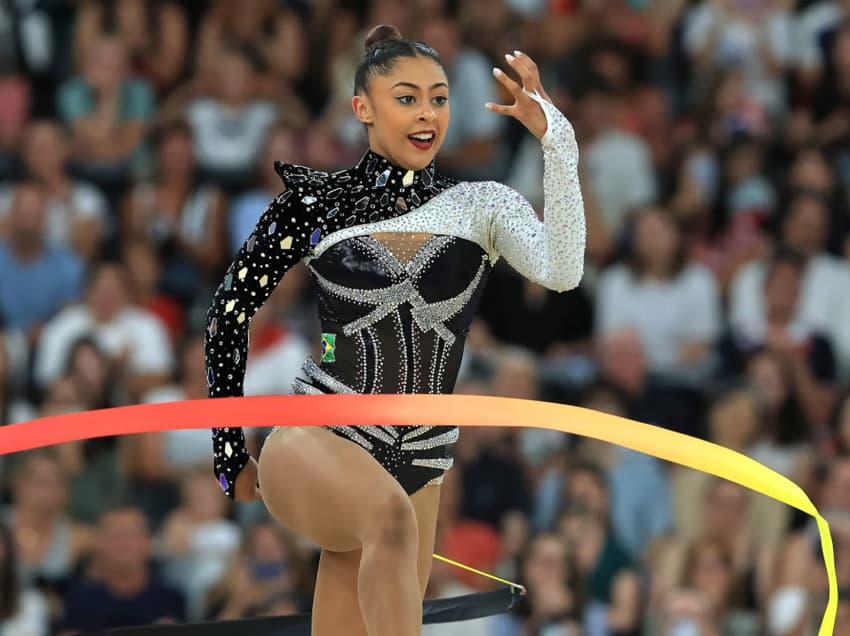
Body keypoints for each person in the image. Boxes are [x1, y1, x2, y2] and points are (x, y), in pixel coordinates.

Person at [205, 24, 586, 636]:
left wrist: (557, 143)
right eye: (406, 97)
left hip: (420, 461)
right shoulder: (316, 202)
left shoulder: (481, 204)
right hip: (318, 435)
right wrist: (229, 452)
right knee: (386, 521)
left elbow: (563, 271)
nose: (427, 113)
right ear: (362, 107)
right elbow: (229, 312)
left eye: (439, 98)